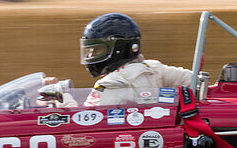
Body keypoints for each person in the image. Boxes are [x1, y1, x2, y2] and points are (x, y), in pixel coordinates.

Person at [39, 13, 191, 107]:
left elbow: (82, 121)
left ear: (117, 49)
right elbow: (194, 81)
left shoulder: (111, 84)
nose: (91, 56)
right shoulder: (154, 69)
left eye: (97, 49)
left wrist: (60, 96)